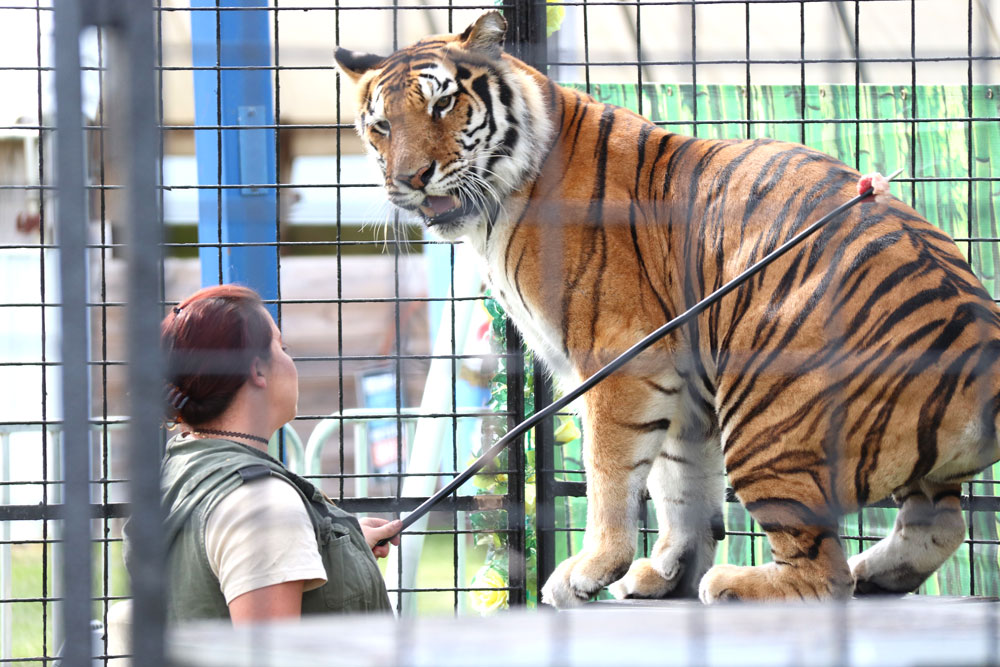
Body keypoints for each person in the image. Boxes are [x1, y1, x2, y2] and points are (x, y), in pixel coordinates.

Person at [126, 284, 399, 624]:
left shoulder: (181, 470)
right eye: (281, 347)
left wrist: (342, 548)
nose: (290, 359)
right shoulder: (262, 506)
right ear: (257, 370)